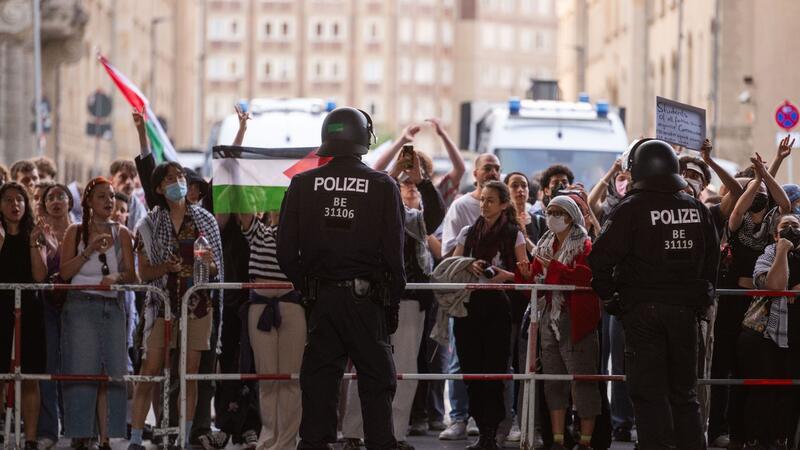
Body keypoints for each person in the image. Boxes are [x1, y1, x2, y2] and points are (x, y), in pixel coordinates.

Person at [277, 106, 406, 450]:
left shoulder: (303, 184)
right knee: (377, 383)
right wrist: (391, 303)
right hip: (368, 303)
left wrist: (309, 289)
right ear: (365, 138)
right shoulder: (382, 185)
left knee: (319, 383)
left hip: (322, 301)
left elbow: (286, 253)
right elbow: (395, 256)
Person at [588, 139, 719, 449]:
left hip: (642, 312)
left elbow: (600, 259)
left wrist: (611, 299)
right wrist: (701, 297)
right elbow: (711, 259)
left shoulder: (631, 208)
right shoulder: (696, 207)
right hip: (685, 312)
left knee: (648, 394)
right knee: (685, 394)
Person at [341, 147, 446, 450]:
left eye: (413, 186)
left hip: (410, 298)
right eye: (405, 183)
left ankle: (394, 434)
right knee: (364, 367)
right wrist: (391, 173)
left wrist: (423, 180)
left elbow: (436, 215)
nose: (409, 187)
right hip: (371, 298)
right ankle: (352, 432)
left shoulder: (414, 218)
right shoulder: (371, 212)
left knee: (403, 370)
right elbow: (366, 196)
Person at [129, 162, 224, 450]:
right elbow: (143, 274)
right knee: (150, 369)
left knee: (190, 372)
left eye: (181, 176)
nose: (178, 182)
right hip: (161, 305)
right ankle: (135, 438)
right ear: (159, 188)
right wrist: (164, 268)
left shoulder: (205, 220)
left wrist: (209, 265)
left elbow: (218, 271)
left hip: (197, 307)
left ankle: (183, 437)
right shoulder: (148, 224)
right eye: (170, 178)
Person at [58, 177, 135, 449]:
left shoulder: (122, 233)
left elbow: (132, 276)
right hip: (80, 305)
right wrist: (89, 249)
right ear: (89, 201)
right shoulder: (74, 231)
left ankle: (105, 437)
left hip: (111, 307)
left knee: (108, 372)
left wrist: (116, 277)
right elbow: (65, 273)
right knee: (81, 371)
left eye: (112, 196)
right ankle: (81, 433)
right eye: (102, 196)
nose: (109, 201)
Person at [518, 195, 601, 450]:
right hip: (548, 318)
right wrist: (524, 276)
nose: (552, 216)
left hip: (576, 320)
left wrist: (554, 268)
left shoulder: (585, 245)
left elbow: (585, 278)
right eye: (549, 211)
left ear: (571, 216)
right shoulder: (543, 245)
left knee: (583, 380)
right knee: (553, 380)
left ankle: (585, 442)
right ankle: (558, 440)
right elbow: (536, 287)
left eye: (558, 212)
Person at [451, 180, 528, 450]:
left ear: (504, 204)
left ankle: (491, 432)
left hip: (499, 305)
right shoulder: (466, 232)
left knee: (494, 368)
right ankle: (480, 427)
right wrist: (469, 264)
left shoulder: (514, 234)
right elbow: (453, 265)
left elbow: (522, 273)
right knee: (470, 368)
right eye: (482, 199)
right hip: (469, 305)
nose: (484, 204)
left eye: (490, 200)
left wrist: (500, 274)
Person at [438, 153, 501, 441]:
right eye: (488, 168)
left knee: (496, 360)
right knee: (460, 359)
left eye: (497, 168)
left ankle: (486, 418)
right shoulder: (461, 207)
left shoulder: (508, 218)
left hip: (497, 297)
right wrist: (470, 263)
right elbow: (449, 252)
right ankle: (459, 417)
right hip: (465, 295)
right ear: (475, 173)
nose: (493, 172)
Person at [737, 213, 800, 448]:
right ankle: (755, 440)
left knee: (789, 394)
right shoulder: (767, 256)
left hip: (795, 338)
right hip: (764, 334)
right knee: (762, 391)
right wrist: (782, 250)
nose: (792, 229)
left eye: (796, 225)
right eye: (786, 226)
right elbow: (774, 287)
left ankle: (781, 439)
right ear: (775, 234)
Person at [0, 182, 48, 450]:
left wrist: (33, 244)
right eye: (8, 200)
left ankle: (30, 439)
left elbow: (40, 276)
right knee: (1, 375)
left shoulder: (34, 233)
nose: (14, 205)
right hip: (1, 309)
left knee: (30, 376)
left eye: (19, 200)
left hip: (29, 311)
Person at [36, 182, 74, 449]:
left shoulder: (81, 230)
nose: (57, 201)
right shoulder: (38, 232)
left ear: (70, 202)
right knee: (49, 366)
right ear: (44, 204)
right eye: (51, 197)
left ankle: (76, 428)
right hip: (47, 303)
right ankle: (49, 430)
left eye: (62, 196)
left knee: (75, 365)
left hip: (76, 302)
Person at [371, 118, 466, 206]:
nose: (412, 186)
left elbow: (460, 169)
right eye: (407, 181)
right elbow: (375, 174)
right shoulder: (391, 197)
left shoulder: (435, 196)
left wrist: (443, 135)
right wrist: (402, 140)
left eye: (417, 179)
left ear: (427, 177)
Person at [110, 159, 148, 232]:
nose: (128, 182)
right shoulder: (101, 201)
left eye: (132, 177)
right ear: (112, 179)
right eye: (123, 177)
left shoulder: (139, 209)